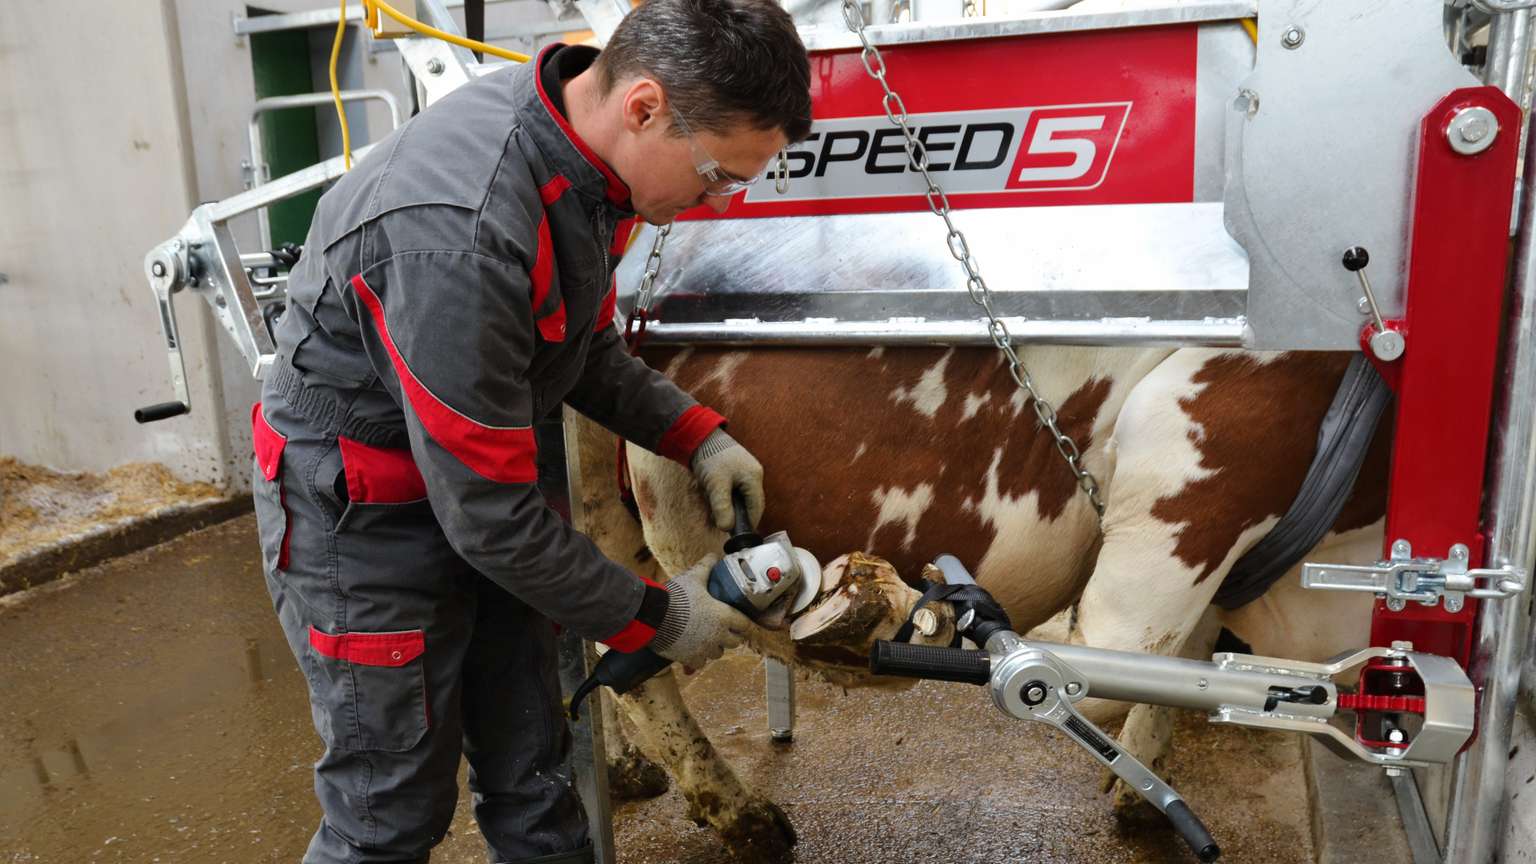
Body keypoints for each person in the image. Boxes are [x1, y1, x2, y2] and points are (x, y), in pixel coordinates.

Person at [248, 1, 813, 861]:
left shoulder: (585, 164)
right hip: (363, 515)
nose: (718, 204)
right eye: (717, 175)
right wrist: (661, 618)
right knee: (389, 811)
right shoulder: (461, 234)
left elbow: (572, 341)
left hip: (484, 486)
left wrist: (693, 433)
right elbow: (487, 516)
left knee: (536, 776)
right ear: (645, 107)